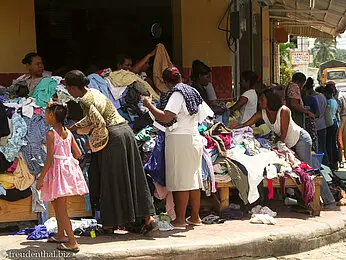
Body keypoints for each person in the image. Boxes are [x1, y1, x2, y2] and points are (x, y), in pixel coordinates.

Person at [65, 70, 156, 233]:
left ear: (72, 88)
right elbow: (95, 116)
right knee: (133, 176)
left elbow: (99, 123)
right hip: (125, 132)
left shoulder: (85, 101)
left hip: (113, 136)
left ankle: (110, 224)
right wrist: (77, 126)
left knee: (110, 180)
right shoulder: (93, 92)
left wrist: (91, 144)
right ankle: (148, 218)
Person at [238, 86, 336, 207]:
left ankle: (327, 200)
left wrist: (277, 146)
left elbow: (283, 134)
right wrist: (230, 129)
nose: (260, 102)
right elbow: (245, 125)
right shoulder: (261, 113)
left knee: (309, 170)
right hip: (288, 143)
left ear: (270, 100)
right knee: (297, 171)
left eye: (262, 99)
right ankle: (306, 199)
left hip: (301, 140)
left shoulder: (284, 110)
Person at [143, 67, 213, 229]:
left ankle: (180, 220)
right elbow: (203, 115)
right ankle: (195, 217)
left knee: (181, 182)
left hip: (179, 140)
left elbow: (167, 117)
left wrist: (149, 106)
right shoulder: (192, 91)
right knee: (193, 180)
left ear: (165, 82)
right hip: (194, 138)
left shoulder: (176, 94)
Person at [36, 102, 88, 253]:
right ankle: (61, 235)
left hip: (56, 173)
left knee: (61, 210)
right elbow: (78, 153)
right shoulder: (69, 133)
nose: (44, 116)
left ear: (52, 116)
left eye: (46, 113)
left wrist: (40, 179)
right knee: (56, 204)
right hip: (65, 172)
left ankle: (72, 241)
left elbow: (50, 160)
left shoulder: (51, 134)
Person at [190, 60, 229, 125]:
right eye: (207, 77)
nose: (209, 80)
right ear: (200, 76)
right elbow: (200, 110)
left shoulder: (202, 89)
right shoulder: (195, 90)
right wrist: (216, 110)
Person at [303, 77, 329, 166]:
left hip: (314, 127)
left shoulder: (309, 99)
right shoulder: (322, 96)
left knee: (315, 148)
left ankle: (318, 166)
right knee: (323, 148)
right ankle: (326, 167)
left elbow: (316, 114)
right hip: (323, 125)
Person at [324, 84, 339, 171]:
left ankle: (330, 161)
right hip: (335, 122)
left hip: (330, 123)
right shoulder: (334, 101)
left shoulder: (328, 102)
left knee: (328, 143)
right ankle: (335, 162)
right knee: (333, 143)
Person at [338, 91, 346, 168]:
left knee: (339, 140)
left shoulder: (338, 97)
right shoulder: (342, 95)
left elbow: (338, 110)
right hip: (344, 116)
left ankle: (341, 160)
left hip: (341, 118)